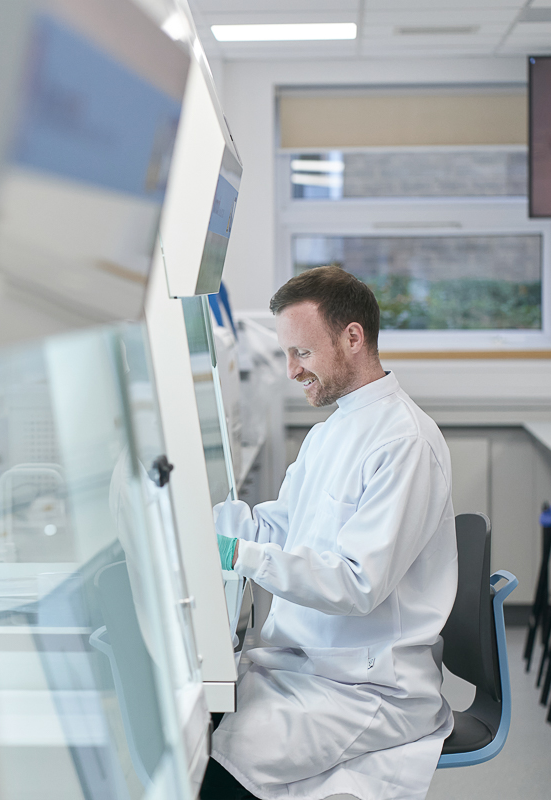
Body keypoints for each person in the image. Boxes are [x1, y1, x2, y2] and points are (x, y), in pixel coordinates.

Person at [203, 266, 458, 800]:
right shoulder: (331, 431)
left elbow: (356, 584)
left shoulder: (403, 442)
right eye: (287, 354)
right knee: (198, 727)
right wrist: (201, 525)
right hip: (306, 662)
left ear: (353, 337)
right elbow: (282, 525)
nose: (292, 371)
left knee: (218, 773)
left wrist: (240, 555)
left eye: (303, 353)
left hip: (365, 685)